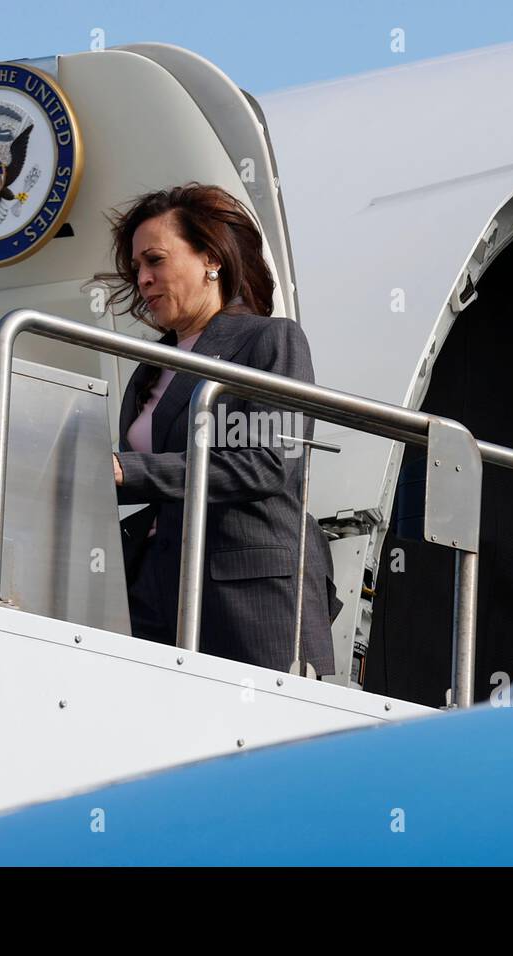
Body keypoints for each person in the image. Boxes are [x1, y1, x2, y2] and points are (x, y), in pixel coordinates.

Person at [92, 183, 340, 675]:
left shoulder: (271, 339)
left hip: (248, 593)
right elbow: (141, 475)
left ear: (211, 259)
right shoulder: (150, 369)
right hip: (158, 587)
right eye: (137, 268)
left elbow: (269, 465)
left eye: (155, 261)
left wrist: (126, 471)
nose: (142, 279)